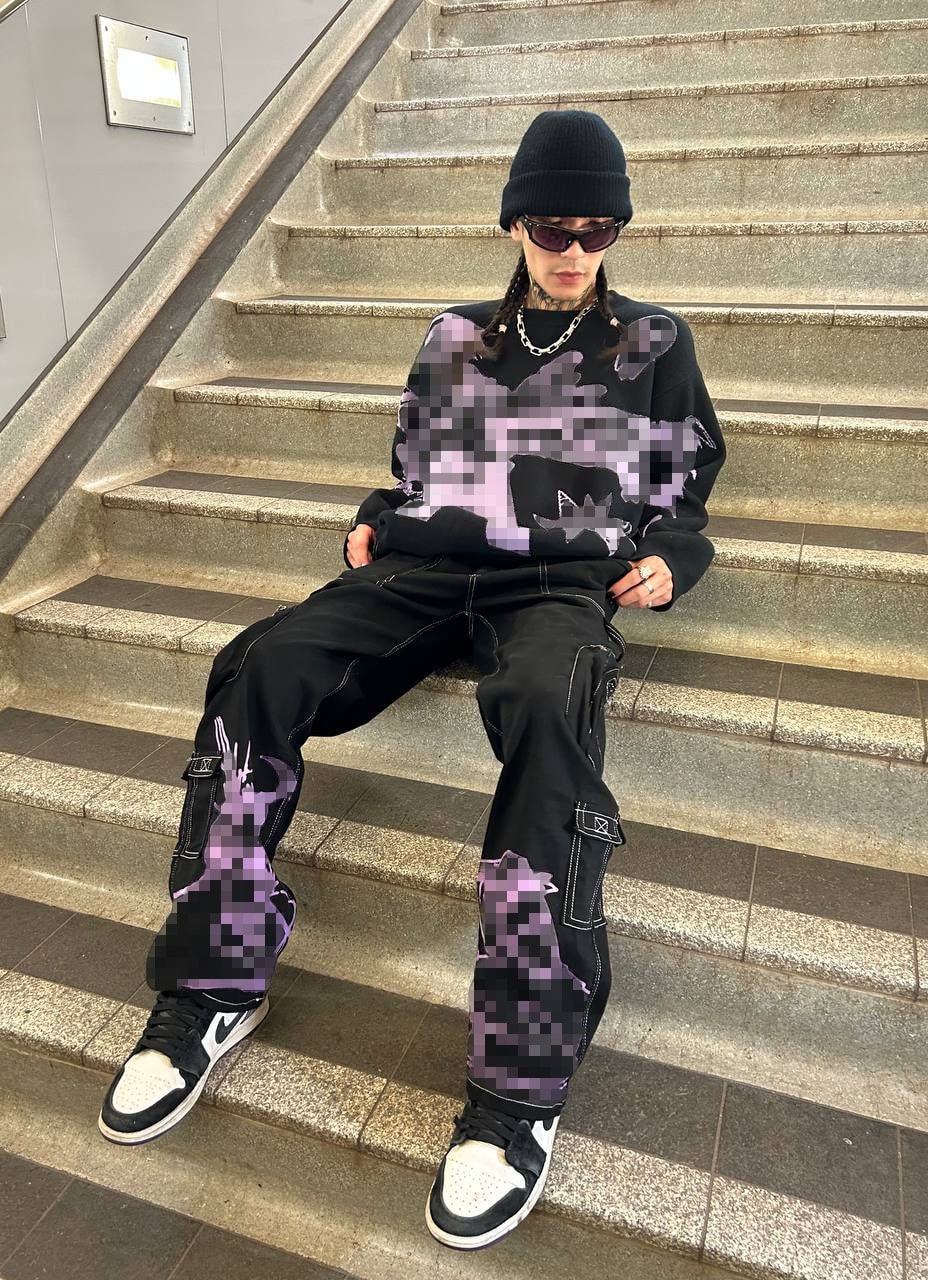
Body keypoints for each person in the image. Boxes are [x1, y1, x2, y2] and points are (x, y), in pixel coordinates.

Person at [97, 109, 726, 1251]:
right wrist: (374, 514)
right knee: (263, 664)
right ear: (516, 223)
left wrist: (675, 557)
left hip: (557, 583)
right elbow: (413, 467)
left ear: (619, 231)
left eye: (598, 229)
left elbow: (685, 481)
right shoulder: (454, 336)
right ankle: (212, 978)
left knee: (548, 707)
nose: (574, 248)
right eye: (552, 227)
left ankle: (520, 1078)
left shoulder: (653, 340)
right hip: (427, 568)